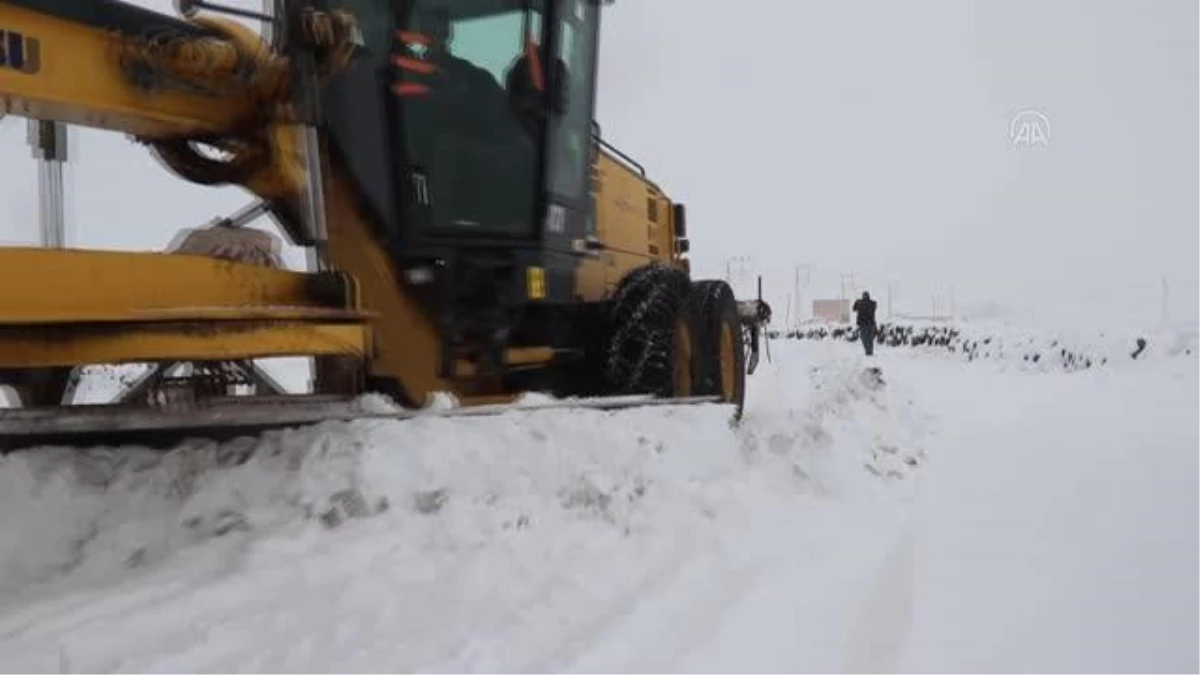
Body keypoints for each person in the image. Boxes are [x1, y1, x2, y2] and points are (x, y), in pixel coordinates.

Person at [852, 291, 878, 356]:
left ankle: (867, 351)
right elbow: (875, 307)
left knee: (864, 338)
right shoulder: (873, 303)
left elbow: (854, 309)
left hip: (862, 324)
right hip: (871, 323)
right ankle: (870, 351)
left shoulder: (859, 303)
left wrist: (857, 301)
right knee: (870, 338)